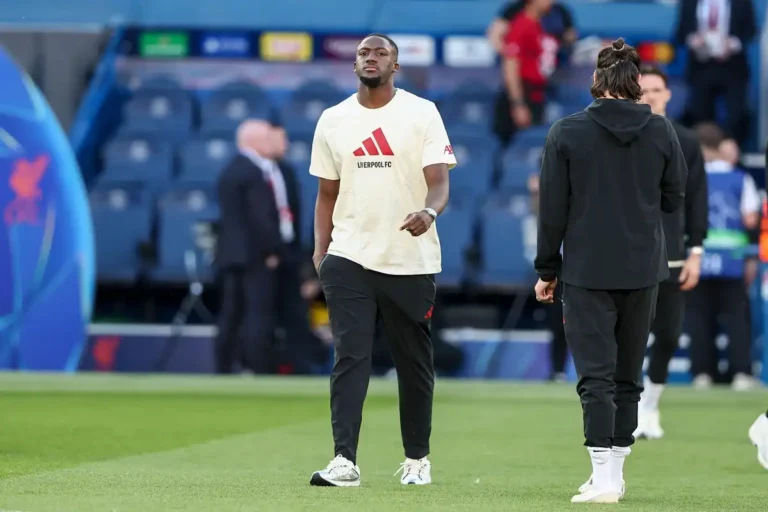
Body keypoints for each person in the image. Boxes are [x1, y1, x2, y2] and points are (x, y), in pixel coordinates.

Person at [534, 38, 685, 503]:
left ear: (596, 81)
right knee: (627, 375)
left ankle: (602, 479)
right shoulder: (661, 131)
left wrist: (546, 268)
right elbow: (674, 194)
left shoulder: (567, 131)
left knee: (594, 376)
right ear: (637, 82)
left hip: (586, 268)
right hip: (644, 267)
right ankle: (614, 477)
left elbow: (552, 210)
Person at [307, 34, 456, 487]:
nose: (371, 58)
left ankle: (416, 459)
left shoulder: (422, 112)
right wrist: (321, 248)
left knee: (413, 362)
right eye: (363, 53)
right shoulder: (333, 119)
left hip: (409, 257)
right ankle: (343, 460)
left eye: (381, 53)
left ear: (396, 66)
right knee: (350, 355)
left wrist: (429, 213)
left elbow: (439, 182)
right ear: (355, 65)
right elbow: (326, 193)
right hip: (349, 254)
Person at [633, 64, 709, 440]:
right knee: (626, 336)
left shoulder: (686, 140)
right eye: (643, 90)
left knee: (668, 334)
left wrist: (696, 250)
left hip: (673, 253)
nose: (650, 96)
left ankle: (651, 405)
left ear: (668, 94)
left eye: (656, 90)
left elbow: (697, 200)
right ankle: (627, 406)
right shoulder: (622, 136)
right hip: (629, 252)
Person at [214, 120, 307, 374]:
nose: (274, 143)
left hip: (239, 255)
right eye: (267, 138)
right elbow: (260, 219)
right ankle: (258, 367)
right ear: (253, 141)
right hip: (255, 257)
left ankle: (224, 367)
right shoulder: (250, 172)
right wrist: (271, 250)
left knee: (233, 314)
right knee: (258, 313)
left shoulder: (237, 169)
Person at [687, 122, 760, 391]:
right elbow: (750, 218)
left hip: (698, 260)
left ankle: (702, 373)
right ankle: (741, 373)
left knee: (698, 318)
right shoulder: (740, 178)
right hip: (732, 260)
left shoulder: (689, 178)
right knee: (737, 320)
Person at [492, 0, 559, 149]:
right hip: (521, 96)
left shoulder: (542, 26)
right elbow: (511, 66)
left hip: (537, 95)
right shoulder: (521, 25)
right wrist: (518, 104)